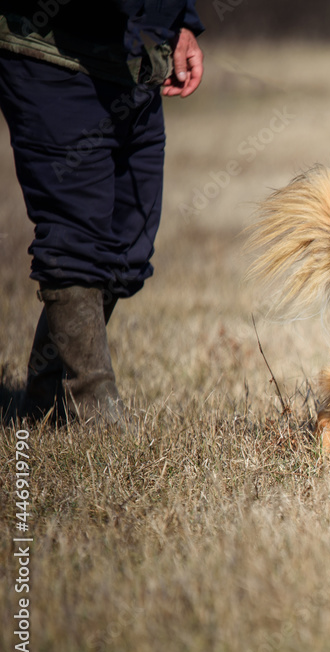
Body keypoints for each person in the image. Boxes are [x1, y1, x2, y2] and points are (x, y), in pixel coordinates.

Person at [0, 0, 204, 424]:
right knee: (75, 240)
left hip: (134, 66)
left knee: (126, 252)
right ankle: (95, 412)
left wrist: (181, 22)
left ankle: (44, 402)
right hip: (54, 54)